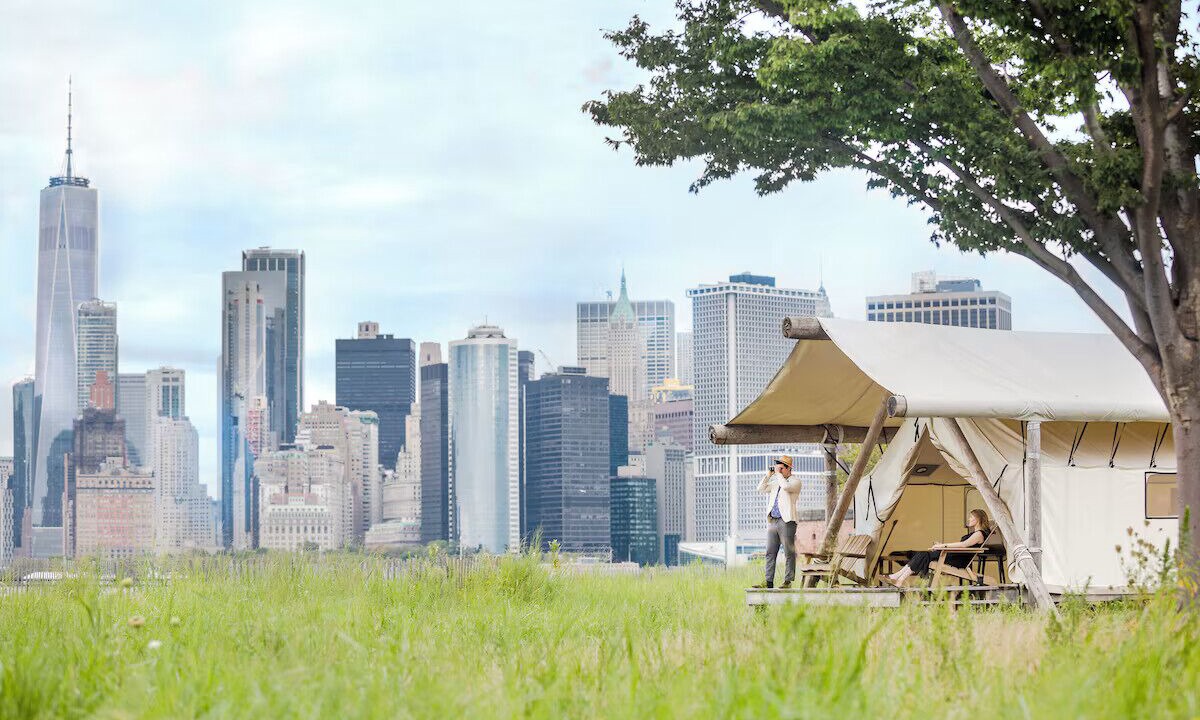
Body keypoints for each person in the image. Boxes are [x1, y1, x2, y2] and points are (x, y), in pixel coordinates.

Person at [884, 509, 991, 586]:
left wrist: (942, 546)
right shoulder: (976, 533)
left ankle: (898, 578)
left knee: (923, 555)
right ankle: (899, 579)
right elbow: (963, 546)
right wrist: (942, 546)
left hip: (958, 560)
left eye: (972, 517)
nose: (969, 519)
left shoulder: (979, 534)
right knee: (922, 555)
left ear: (978, 519)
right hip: (954, 555)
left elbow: (963, 545)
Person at [751, 455, 803, 589]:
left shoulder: (795, 481)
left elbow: (785, 487)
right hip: (773, 520)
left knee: (788, 552)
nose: (778, 469)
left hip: (787, 521)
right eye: (777, 467)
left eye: (781, 467)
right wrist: (768, 475)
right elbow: (760, 489)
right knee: (770, 552)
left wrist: (778, 474)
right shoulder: (775, 482)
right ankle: (768, 582)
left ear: (788, 468)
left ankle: (788, 582)